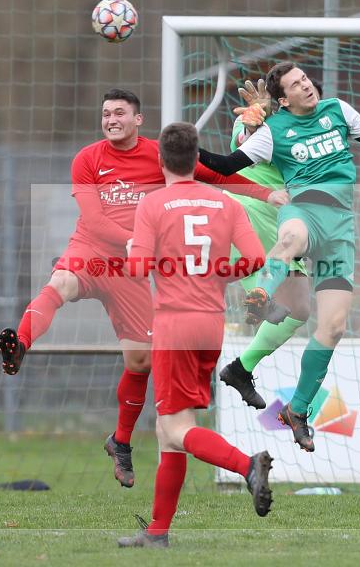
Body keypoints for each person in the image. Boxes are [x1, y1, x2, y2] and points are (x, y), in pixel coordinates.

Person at [0, 89, 287, 488]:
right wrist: (141, 242)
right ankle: (21, 344)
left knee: (140, 362)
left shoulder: (161, 155)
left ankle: (121, 442)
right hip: (93, 253)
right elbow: (96, 222)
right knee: (60, 282)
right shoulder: (88, 159)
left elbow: (218, 177)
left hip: (131, 271)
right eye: (105, 113)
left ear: (138, 119)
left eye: (119, 112)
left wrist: (265, 192)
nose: (111, 119)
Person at [199, 62, 360, 452]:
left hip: (339, 231)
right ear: (283, 99)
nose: (306, 85)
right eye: (296, 84)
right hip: (303, 213)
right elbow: (224, 164)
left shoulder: (338, 110)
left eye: (305, 78)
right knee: (290, 238)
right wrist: (180, 147)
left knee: (333, 327)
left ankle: (297, 410)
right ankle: (257, 300)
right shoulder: (273, 130)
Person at [118, 122, 273, 548]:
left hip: (174, 323)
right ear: (197, 158)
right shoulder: (225, 203)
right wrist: (220, 273)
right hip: (210, 323)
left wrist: (134, 251)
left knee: (174, 428)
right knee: (172, 433)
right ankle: (157, 533)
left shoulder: (153, 205)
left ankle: (247, 466)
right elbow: (255, 257)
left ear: (162, 160)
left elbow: (137, 270)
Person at [218, 78, 312, 410]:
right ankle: (258, 298)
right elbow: (247, 143)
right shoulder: (254, 121)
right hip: (253, 213)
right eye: (290, 90)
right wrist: (252, 124)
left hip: (279, 219)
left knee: (299, 308)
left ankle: (240, 368)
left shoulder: (308, 127)